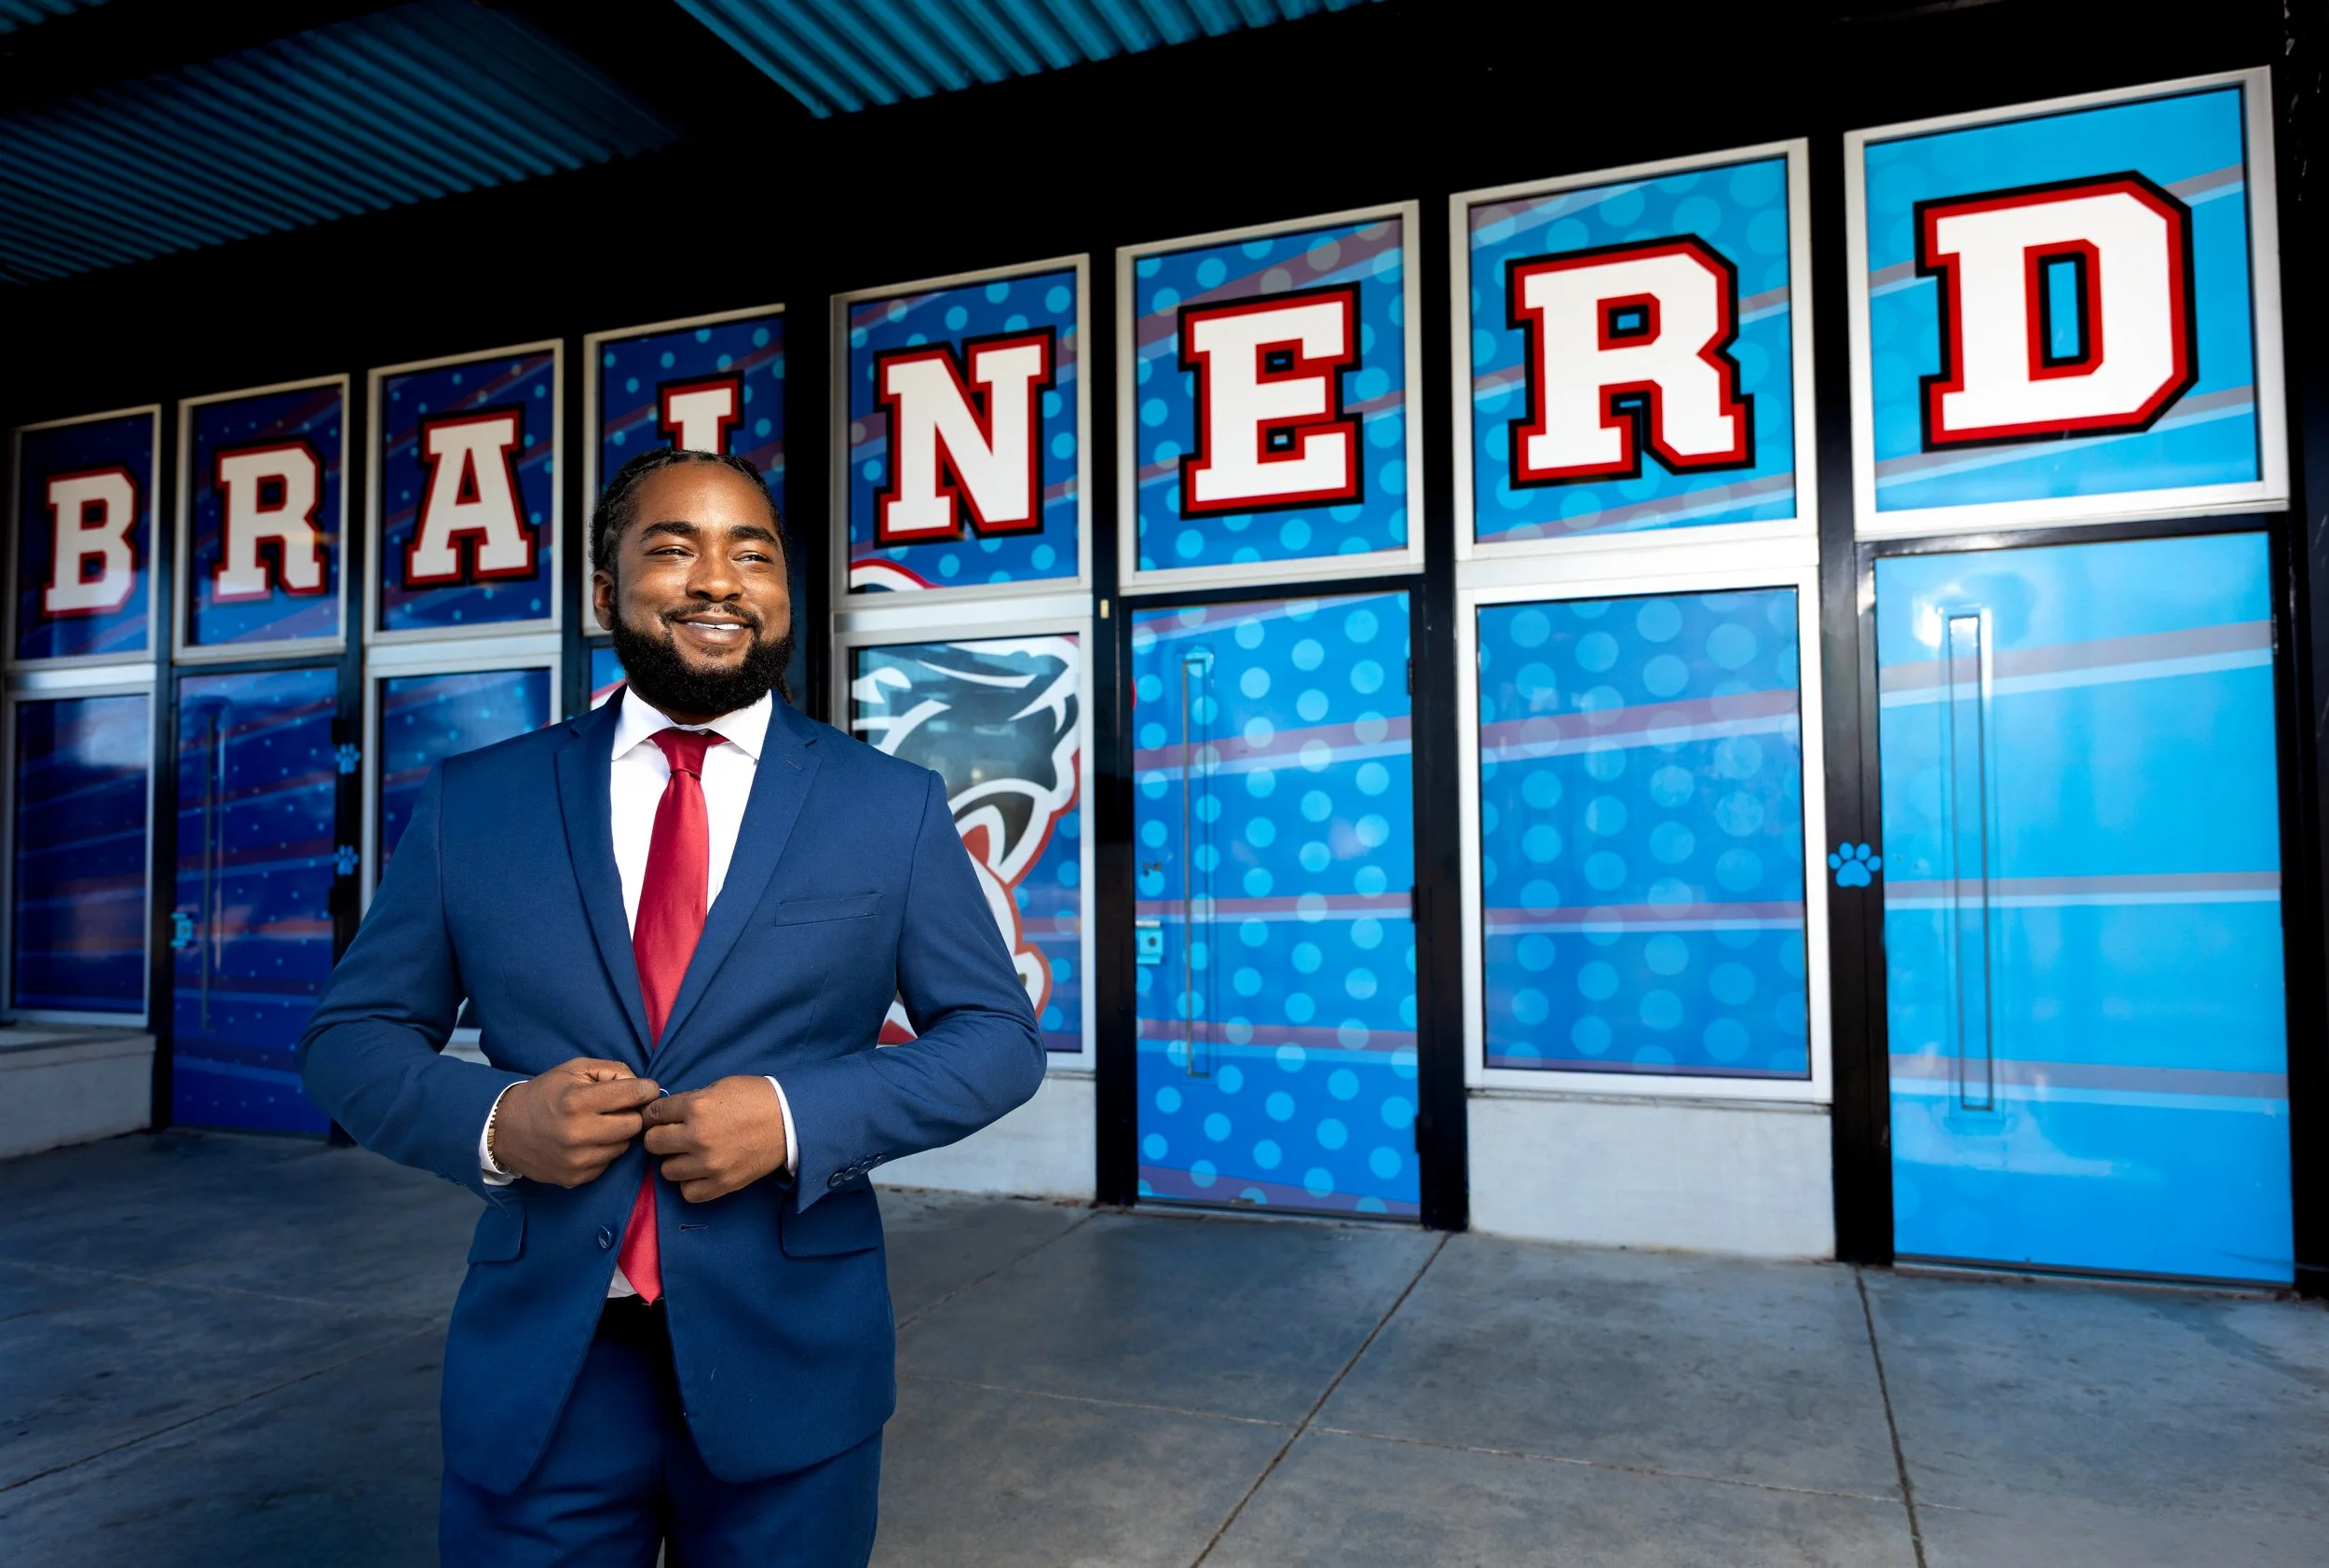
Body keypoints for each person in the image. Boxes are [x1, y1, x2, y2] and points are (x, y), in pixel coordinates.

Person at [300, 446, 1045, 1567]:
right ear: (606, 592)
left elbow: (994, 1039)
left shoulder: (886, 806)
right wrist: (498, 1123)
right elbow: (348, 1039)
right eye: (672, 548)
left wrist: (792, 1118)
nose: (717, 581)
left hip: (792, 1365)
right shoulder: (479, 802)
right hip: (543, 1372)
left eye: (753, 554)